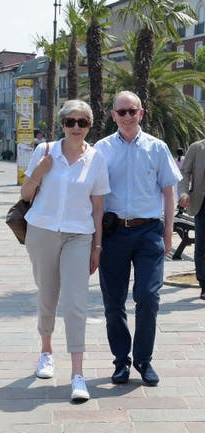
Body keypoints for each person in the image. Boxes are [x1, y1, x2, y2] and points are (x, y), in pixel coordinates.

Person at [21, 99, 110, 402]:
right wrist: (41, 171)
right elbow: (25, 194)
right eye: (70, 122)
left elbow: (98, 207)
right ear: (61, 124)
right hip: (42, 230)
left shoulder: (96, 158)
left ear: (89, 126)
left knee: (76, 302)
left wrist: (97, 245)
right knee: (47, 294)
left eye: (82, 122)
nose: (75, 127)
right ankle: (46, 352)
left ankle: (78, 375)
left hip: (79, 235)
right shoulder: (45, 151)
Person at [94, 91, 182, 387]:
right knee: (113, 302)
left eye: (133, 111)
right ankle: (121, 361)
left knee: (148, 295)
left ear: (141, 113)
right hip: (114, 231)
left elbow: (169, 192)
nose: (128, 117)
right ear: (113, 116)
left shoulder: (157, 148)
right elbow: (91, 195)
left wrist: (167, 231)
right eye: (122, 112)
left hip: (148, 232)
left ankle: (144, 359)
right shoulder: (101, 149)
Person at [177, 139, 205, 300]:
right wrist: (183, 192)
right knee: (202, 247)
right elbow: (184, 173)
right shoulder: (196, 148)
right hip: (202, 204)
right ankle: (204, 284)